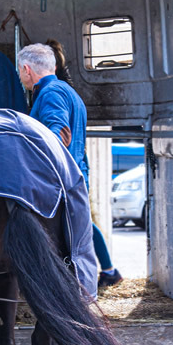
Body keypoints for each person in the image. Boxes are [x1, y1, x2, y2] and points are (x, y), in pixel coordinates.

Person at [17, 43, 123, 289]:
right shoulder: (65, 90)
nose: (20, 77)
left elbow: (58, 131)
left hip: (59, 180)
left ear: (26, 69)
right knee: (80, 233)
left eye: (20, 72)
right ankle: (98, 278)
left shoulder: (50, 94)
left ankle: (81, 293)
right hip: (74, 175)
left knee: (74, 239)